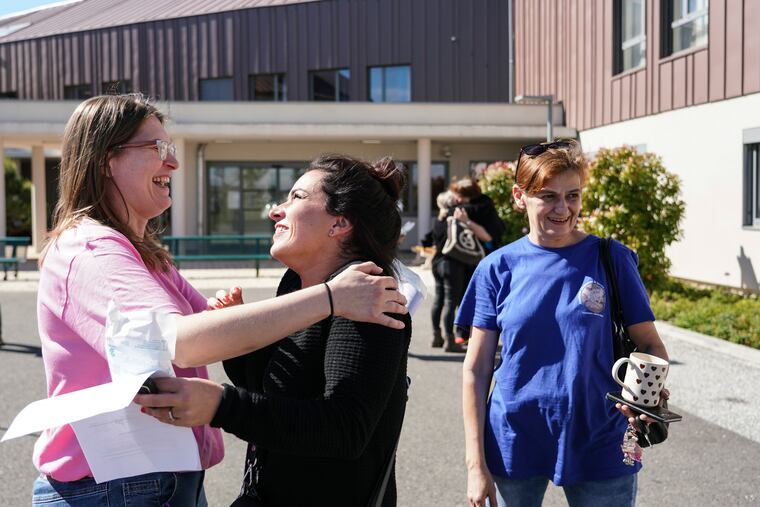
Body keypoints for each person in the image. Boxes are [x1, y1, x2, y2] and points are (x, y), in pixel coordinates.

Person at [32, 95, 408, 506]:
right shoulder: (95, 251)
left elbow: (327, 418)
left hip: (138, 482)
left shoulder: (362, 295)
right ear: (106, 160)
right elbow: (183, 340)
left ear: (340, 222)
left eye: (297, 198)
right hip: (114, 485)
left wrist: (225, 389)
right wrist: (330, 298)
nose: (172, 163)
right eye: (158, 149)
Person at [136, 154, 412, 507]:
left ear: (340, 223)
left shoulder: (369, 297)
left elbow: (345, 431)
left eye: (296, 198)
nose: (275, 211)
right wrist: (241, 341)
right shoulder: (297, 284)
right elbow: (269, 388)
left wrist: (220, 405)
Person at [459, 140, 669, 507]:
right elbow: (476, 370)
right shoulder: (497, 269)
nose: (563, 208)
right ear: (519, 196)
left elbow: (650, 344)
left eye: (573, 195)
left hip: (601, 438)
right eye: (548, 196)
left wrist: (644, 396)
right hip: (514, 439)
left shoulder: (612, 259)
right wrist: (475, 465)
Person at [444, 177, 506, 352]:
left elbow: (488, 237)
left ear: (468, 196)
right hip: (467, 260)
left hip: (484, 260)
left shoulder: (483, 209)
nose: (457, 200)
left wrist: (467, 222)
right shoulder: (464, 208)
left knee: (480, 299)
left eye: (459, 196)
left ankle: (474, 337)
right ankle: (462, 333)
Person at [421, 191, 454, 348]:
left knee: (438, 300)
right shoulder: (453, 220)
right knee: (449, 302)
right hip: (450, 263)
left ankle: (436, 335)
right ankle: (449, 338)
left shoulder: (438, 221)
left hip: (437, 262)